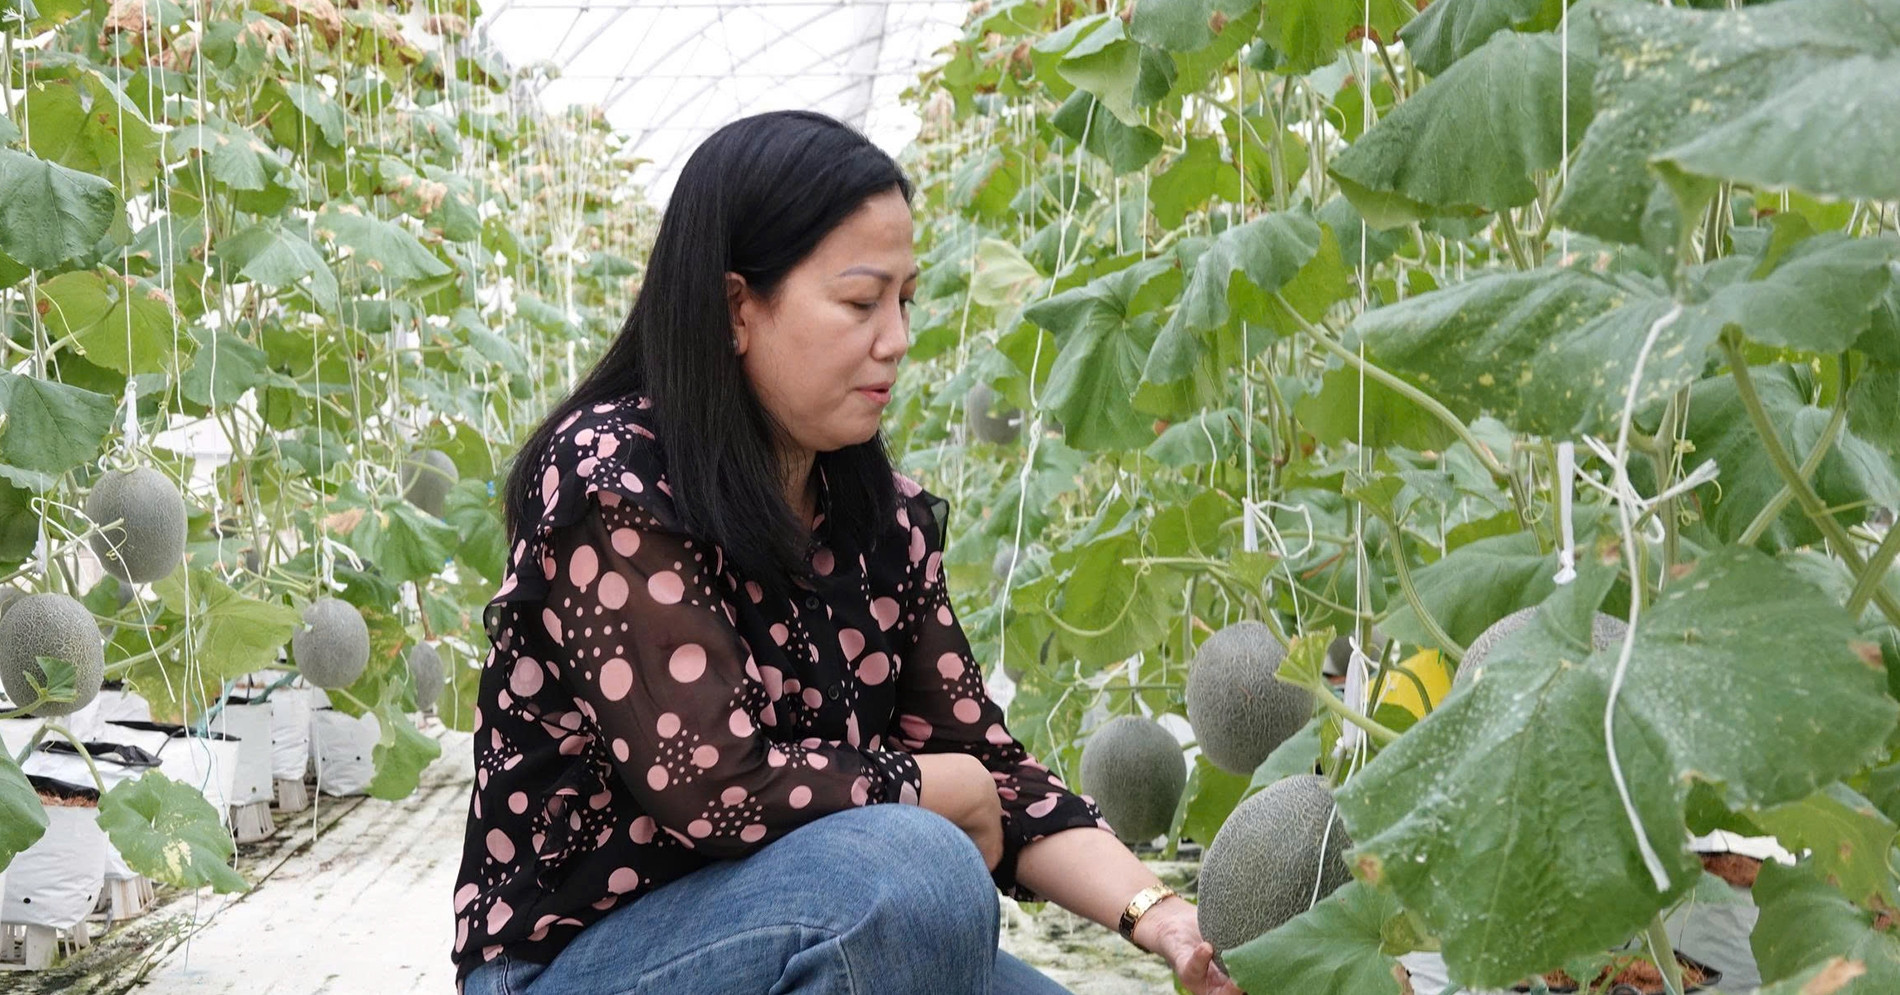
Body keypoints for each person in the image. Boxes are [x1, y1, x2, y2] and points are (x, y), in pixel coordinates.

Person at [451, 109, 1244, 995]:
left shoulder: (878, 517)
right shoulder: (613, 477)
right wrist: (944, 791)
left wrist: (1164, 917)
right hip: (582, 965)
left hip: (820, 917)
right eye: (862, 301)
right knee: (915, 871)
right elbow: (716, 786)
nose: (897, 339)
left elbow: (995, 774)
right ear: (736, 307)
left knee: (919, 883)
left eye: (905, 300)